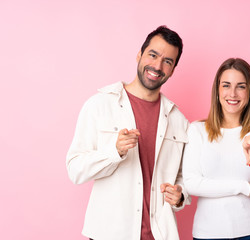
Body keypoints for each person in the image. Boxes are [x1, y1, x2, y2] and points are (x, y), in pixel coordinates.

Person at [66, 26, 190, 240]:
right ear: (139, 55)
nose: (157, 66)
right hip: (109, 234)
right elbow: (75, 170)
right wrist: (113, 151)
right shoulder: (100, 105)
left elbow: (184, 177)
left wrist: (180, 196)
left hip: (159, 234)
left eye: (167, 61)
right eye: (153, 55)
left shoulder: (179, 120)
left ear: (172, 70)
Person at [182, 58, 250, 240]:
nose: (232, 93)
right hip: (208, 234)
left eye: (241, 86)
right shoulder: (197, 130)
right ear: (217, 91)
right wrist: (244, 188)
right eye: (226, 85)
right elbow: (192, 183)